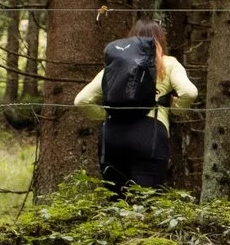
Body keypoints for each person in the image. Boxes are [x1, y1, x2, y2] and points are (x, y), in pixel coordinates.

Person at [71, 19, 199, 191]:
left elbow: (81, 100)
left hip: (112, 136)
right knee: (146, 202)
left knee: (116, 203)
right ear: (160, 40)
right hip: (149, 135)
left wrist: (107, 115)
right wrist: (176, 110)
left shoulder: (115, 66)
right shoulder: (168, 63)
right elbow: (189, 92)